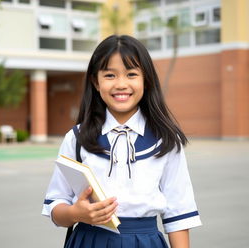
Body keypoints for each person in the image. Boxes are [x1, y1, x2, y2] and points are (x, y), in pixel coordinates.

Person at [42, 35, 202, 248]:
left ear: (146, 80)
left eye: (131, 74)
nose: (121, 84)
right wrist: (75, 213)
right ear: (95, 82)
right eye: (110, 75)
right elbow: (55, 205)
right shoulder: (77, 138)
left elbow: (179, 212)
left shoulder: (166, 140)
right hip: (88, 241)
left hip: (145, 242)